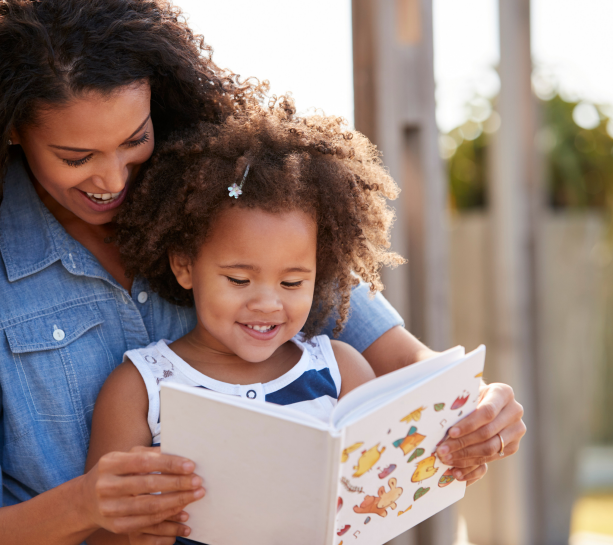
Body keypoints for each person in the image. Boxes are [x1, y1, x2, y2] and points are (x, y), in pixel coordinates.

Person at [0, 1, 525, 544]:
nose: (114, 179)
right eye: (75, 155)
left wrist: (479, 411)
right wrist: (87, 504)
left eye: (135, 139)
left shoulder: (229, 197)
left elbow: (410, 369)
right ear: (10, 131)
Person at [86, 99, 401, 544]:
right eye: (239, 279)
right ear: (184, 265)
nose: (268, 303)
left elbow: (378, 503)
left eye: (292, 282)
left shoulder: (340, 372)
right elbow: (101, 534)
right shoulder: (142, 388)